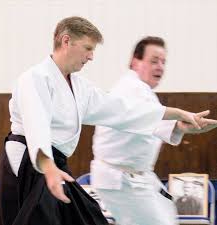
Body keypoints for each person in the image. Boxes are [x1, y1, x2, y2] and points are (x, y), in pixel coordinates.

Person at [0, 18, 213, 225]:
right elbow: (36, 125)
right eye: (88, 48)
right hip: (31, 162)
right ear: (66, 41)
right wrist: (48, 167)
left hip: (55, 166)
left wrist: (178, 114)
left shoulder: (80, 87)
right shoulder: (35, 78)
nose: (91, 57)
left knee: (89, 217)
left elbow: (123, 110)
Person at [91, 36, 217, 225]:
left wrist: (182, 126)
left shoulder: (142, 92)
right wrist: (182, 119)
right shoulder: (130, 88)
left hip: (136, 178)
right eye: (153, 61)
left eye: (163, 62)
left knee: (166, 211)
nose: (160, 67)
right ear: (135, 62)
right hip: (120, 182)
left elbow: (149, 121)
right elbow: (149, 115)